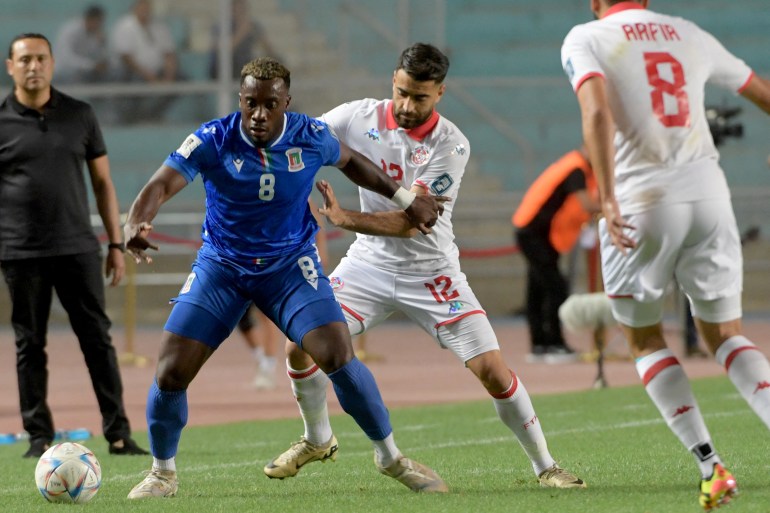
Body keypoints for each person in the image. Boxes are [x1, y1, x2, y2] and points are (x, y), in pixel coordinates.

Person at [122, 56, 449, 499]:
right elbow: (160, 183)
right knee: (170, 372)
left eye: (269, 104)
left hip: (289, 267)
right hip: (223, 267)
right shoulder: (212, 139)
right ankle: (162, 474)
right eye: (250, 103)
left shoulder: (310, 136)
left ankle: (391, 457)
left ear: (286, 103)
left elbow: (355, 163)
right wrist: (137, 221)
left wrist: (408, 199)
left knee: (336, 353)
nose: (258, 114)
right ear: (239, 100)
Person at [263, 43, 586, 491]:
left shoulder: (450, 143)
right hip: (367, 268)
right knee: (299, 344)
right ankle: (317, 439)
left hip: (432, 273)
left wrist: (345, 219)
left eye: (420, 97)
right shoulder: (357, 117)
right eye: (401, 92)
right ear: (393, 81)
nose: (406, 106)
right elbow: (301, 139)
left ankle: (546, 465)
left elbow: (413, 221)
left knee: (493, 371)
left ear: (441, 94)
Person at [562, 0, 770, 509]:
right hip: (709, 197)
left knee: (645, 338)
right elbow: (760, 91)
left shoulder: (586, 37)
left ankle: (711, 467)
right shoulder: (686, 32)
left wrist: (606, 198)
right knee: (725, 334)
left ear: (595, 1)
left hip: (643, 203)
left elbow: (595, 110)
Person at [0, 33, 148, 459]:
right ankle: (38, 436)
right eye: (24, 59)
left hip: (78, 249)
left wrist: (115, 244)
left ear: (52, 63)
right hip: (20, 252)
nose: (34, 66)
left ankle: (119, 434)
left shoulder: (80, 114)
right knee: (30, 344)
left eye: (41, 58)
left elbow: (103, 183)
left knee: (97, 341)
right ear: (10, 66)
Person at [512, 146, 600, 363]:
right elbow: (587, 204)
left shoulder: (575, 166)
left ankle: (539, 346)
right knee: (556, 288)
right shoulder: (576, 168)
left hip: (540, 234)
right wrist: (611, 208)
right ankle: (554, 343)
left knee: (537, 290)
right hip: (534, 233)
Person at [111, 0, 179, 123]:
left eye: (147, 8)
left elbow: (169, 53)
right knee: (133, 82)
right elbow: (126, 57)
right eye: (142, 8)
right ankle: (132, 118)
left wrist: (169, 77)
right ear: (135, 9)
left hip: (158, 71)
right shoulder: (125, 26)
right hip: (135, 71)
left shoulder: (159, 26)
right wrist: (149, 77)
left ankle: (151, 115)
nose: (145, 12)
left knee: (180, 80)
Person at [207, 0, 279, 80]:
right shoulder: (221, 26)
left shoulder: (253, 26)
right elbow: (223, 49)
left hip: (246, 66)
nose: (239, 11)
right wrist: (241, 32)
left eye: (242, 8)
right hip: (226, 68)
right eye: (236, 8)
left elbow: (269, 50)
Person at [53, 4, 110, 84]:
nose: (99, 26)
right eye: (98, 22)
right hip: (62, 71)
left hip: (82, 72)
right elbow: (66, 59)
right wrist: (92, 66)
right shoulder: (70, 30)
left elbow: (100, 59)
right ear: (89, 19)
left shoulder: (94, 35)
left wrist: (102, 44)